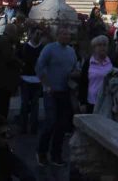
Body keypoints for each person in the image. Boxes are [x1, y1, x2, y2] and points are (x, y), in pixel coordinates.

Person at [35, 26, 77, 166]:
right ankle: (41, 152)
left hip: (65, 90)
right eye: (64, 34)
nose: (67, 36)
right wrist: (46, 84)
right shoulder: (49, 49)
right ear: (58, 35)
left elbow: (74, 68)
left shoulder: (71, 51)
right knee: (50, 122)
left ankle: (56, 155)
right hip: (51, 91)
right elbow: (39, 66)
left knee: (62, 125)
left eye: (68, 34)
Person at [18, 27, 45, 134]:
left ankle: (33, 127)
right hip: (25, 79)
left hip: (37, 80)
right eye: (37, 34)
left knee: (35, 105)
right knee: (24, 104)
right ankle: (23, 126)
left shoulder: (42, 48)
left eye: (40, 34)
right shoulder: (24, 47)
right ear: (32, 34)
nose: (38, 36)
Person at [0, 24, 22, 119]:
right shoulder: (5, 41)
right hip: (3, 80)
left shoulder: (4, 41)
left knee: (2, 103)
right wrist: (21, 63)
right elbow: (9, 58)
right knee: (2, 104)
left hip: (3, 80)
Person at [78, 35, 113, 115]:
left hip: (107, 102)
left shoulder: (111, 62)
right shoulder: (88, 63)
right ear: (94, 48)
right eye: (99, 45)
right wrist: (82, 102)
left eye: (104, 45)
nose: (102, 48)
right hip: (92, 101)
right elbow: (83, 82)